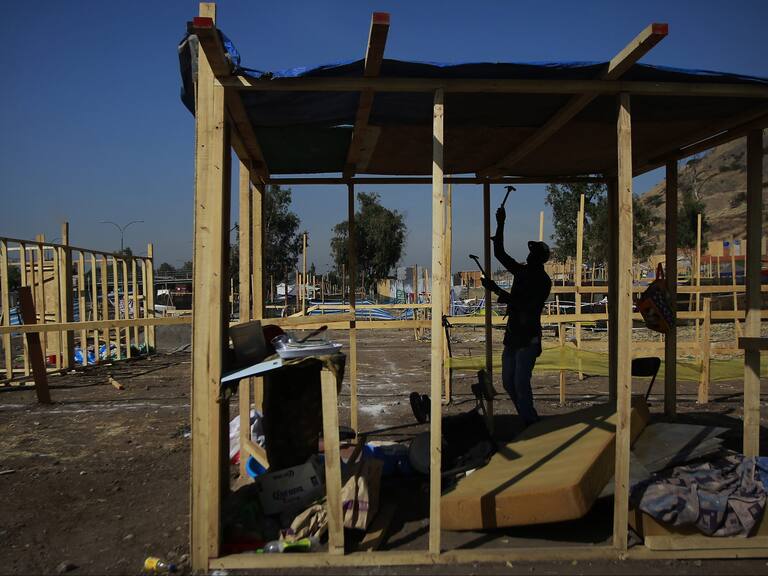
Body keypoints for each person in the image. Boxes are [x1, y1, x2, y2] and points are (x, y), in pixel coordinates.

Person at [481, 205, 551, 426]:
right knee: (508, 383)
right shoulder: (522, 272)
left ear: (539, 259)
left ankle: (529, 422)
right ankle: (527, 417)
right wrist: (501, 223)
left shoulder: (542, 281)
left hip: (528, 338)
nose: (528, 256)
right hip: (513, 337)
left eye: (532, 253)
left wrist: (497, 290)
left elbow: (527, 306)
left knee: (520, 382)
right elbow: (499, 253)